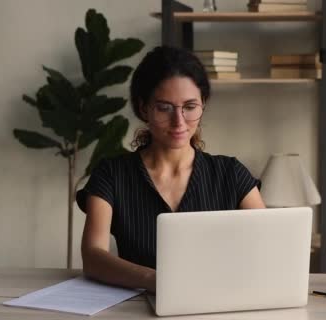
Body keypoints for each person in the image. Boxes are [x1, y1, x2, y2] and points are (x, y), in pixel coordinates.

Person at [76, 46, 266, 292]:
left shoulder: (231, 174)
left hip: (219, 304)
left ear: (203, 104)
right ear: (143, 108)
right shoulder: (112, 175)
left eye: (190, 106)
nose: (179, 121)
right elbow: (93, 257)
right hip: (137, 307)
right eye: (164, 107)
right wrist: (156, 281)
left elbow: (266, 249)